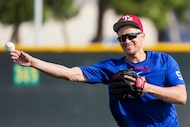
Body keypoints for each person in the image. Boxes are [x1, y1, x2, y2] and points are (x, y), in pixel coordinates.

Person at [10, 14, 187, 127]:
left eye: (131, 35)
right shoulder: (111, 67)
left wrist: (146, 87)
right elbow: (70, 74)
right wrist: (34, 62)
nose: (126, 41)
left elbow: (181, 96)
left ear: (142, 35)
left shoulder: (164, 61)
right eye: (122, 37)